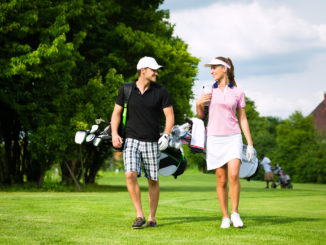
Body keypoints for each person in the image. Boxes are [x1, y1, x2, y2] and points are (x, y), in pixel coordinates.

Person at [111, 56, 174, 229]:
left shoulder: (161, 91)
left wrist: (166, 135)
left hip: (152, 142)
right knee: (130, 174)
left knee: (152, 180)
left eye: (156, 70)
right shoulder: (126, 89)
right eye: (153, 69)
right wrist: (114, 133)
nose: (156, 72)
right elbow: (116, 113)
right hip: (131, 139)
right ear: (142, 70)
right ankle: (139, 215)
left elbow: (170, 116)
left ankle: (152, 217)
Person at [196, 57, 254, 229]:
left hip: (233, 137)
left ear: (225, 69)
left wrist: (249, 143)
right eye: (211, 68)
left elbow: (242, 119)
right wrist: (198, 103)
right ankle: (225, 217)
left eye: (214, 67)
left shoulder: (238, 92)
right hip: (214, 138)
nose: (211, 71)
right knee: (221, 180)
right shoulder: (208, 90)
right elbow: (201, 116)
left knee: (234, 175)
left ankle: (235, 213)